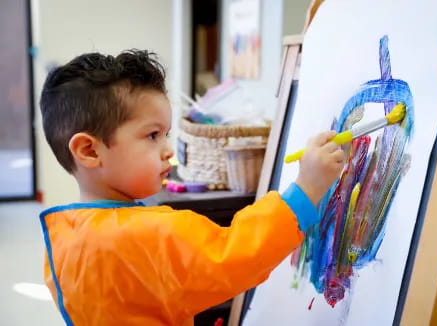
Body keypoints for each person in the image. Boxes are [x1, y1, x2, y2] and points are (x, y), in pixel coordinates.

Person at [39, 49, 345, 326]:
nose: (168, 149)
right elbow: (237, 254)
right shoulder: (150, 233)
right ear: (89, 151)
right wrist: (307, 189)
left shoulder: (64, 239)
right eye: (152, 135)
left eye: (166, 134)